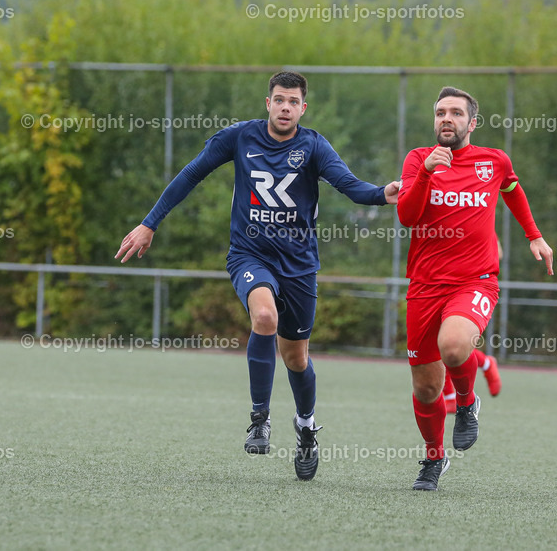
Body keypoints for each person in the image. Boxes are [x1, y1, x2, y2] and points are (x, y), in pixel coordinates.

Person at [116, 71, 399, 481]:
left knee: (296, 358)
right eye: (279, 99)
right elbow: (191, 174)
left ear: (303, 108)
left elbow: (350, 186)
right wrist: (150, 223)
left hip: (300, 266)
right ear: (267, 103)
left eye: (293, 101)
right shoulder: (239, 137)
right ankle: (260, 419)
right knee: (264, 317)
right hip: (250, 255)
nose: (285, 107)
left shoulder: (314, 146)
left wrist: (381, 194)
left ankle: (305, 428)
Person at [397, 87, 553, 490]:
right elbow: (407, 217)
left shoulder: (493, 161)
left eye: (455, 113)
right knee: (426, 388)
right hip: (425, 286)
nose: (446, 118)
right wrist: (428, 172)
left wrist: (533, 235)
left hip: (475, 280)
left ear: (472, 122)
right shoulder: (418, 159)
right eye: (440, 113)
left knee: (454, 344)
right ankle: (434, 458)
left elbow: (512, 189)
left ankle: (467, 402)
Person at [442, 239, 503, 412]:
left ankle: (485, 365)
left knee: (451, 343)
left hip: (467, 289)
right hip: (436, 284)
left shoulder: (476, 218)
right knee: (439, 346)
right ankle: (451, 397)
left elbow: (498, 254)